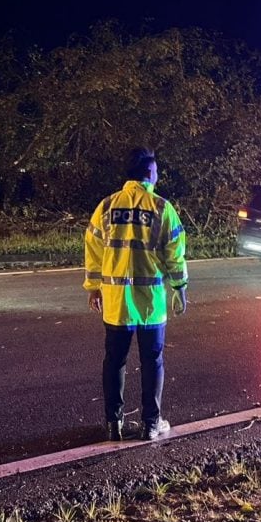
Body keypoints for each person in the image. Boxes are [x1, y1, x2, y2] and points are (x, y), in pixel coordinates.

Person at [84, 147, 188, 442]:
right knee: (152, 361)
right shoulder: (160, 207)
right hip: (150, 304)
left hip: (116, 303)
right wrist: (181, 287)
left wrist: (93, 287)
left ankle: (113, 425)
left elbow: (93, 248)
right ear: (148, 174)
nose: (157, 177)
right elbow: (175, 253)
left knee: (114, 360)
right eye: (155, 172)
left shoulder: (106, 207)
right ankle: (150, 425)